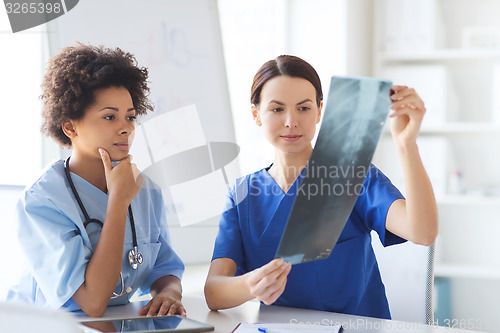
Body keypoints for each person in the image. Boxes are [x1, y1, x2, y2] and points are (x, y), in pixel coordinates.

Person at [204, 55, 438, 319]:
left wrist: (406, 144)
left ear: (319, 111)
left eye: (303, 108)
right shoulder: (242, 195)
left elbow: (423, 232)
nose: (291, 121)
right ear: (256, 114)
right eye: (277, 109)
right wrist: (251, 285)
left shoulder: (351, 175)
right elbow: (214, 292)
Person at [7, 44, 185, 317]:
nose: (126, 127)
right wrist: (118, 201)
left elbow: (164, 269)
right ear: (70, 126)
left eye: (130, 116)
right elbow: (92, 302)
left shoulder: (144, 188)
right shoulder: (42, 201)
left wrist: (169, 293)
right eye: (110, 116)